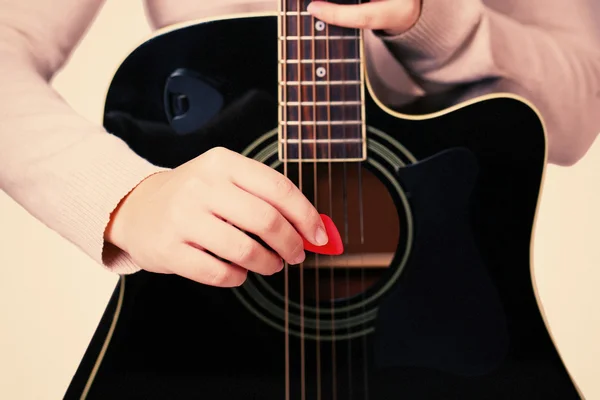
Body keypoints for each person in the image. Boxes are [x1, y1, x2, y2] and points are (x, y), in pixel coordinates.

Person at [0, 0, 599, 288]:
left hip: (442, 313)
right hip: (205, 328)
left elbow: (576, 115)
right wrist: (125, 195)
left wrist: (428, 18)